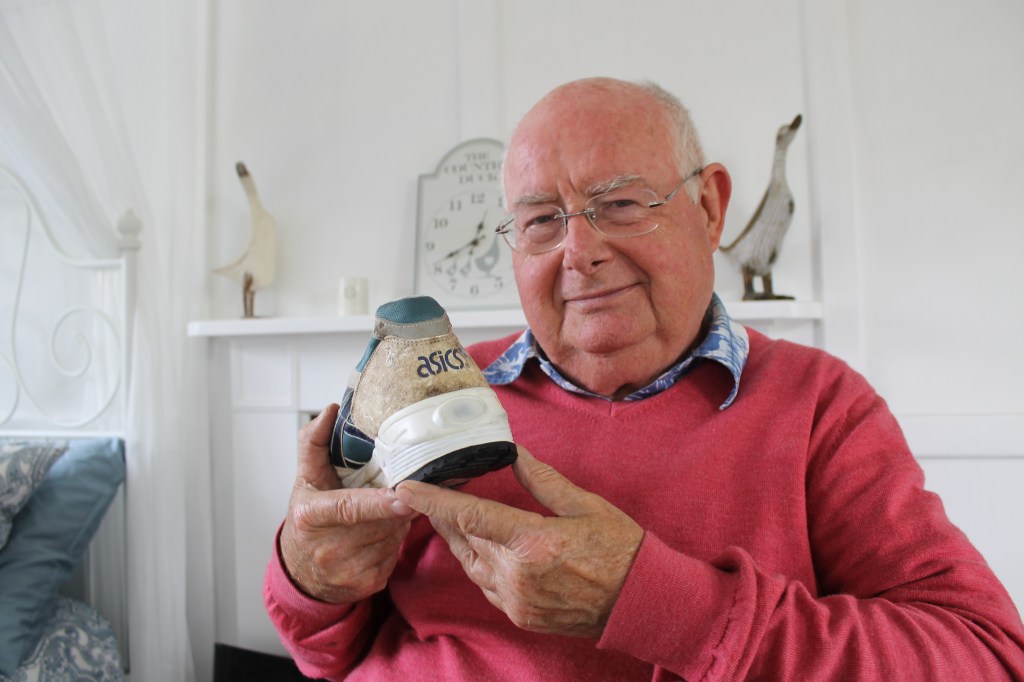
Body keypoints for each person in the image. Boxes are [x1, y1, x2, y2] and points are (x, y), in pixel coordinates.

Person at [264, 77, 1024, 680]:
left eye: (620, 204)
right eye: (540, 221)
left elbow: (984, 657)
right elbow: (326, 653)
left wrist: (660, 605)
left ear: (710, 206)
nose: (577, 251)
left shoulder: (819, 404)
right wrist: (310, 576)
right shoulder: (434, 383)